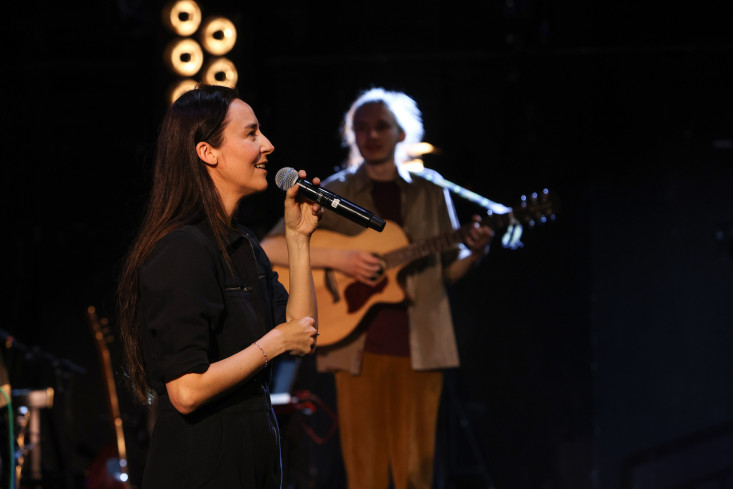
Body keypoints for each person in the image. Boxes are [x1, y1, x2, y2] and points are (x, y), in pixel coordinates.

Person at [261, 87, 494, 489]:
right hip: (355, 348)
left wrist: (475, 252)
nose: (371, 135)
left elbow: (446, 275)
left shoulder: (431, 191)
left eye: (381, 126)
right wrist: (342, 259)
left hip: (422, 343)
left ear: (401, 133)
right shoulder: (336, 188)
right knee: (364, 467)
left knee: (415, 471)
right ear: (351, 134)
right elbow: (271, 247)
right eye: (361, 128)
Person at [116, 84, 323, 489]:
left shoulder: (242, 244)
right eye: (251, 134)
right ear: (207, 152)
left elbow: (301, 330)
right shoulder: (180, 250)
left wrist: (300, 240)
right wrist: (274, 344)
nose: (268, 144)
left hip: (254, 454)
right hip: (201, 464)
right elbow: (187, 390)